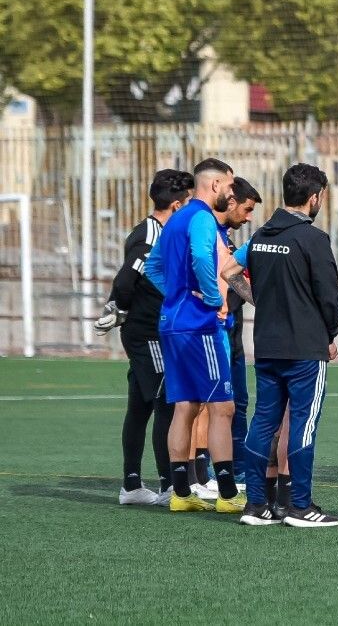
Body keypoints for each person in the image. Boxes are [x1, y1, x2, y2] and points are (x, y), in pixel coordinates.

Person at [234, 164, 338, 528]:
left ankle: (256, 504)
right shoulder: (313, 239)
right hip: (304, 348)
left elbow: (232, 273)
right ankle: (299, 505)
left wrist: (261, 303)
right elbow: (329, 297)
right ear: (314, 197)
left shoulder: (262, 236)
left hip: (266, 344)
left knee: (263, 420)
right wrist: (330, 334)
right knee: (304, 422)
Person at [145, 157, 243, 513]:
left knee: (184, 407)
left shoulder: (174, 219)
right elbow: (203, 259)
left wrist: (176, 293)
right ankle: (229, 494)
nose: (231, 194)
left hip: (172, 323)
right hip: (200, 326)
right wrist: (215, 299)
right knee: (223, 407)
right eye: (230, 187)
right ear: (215, 185)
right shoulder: (201, 217)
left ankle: (180, 493)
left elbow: (152, 267)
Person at [98, 169, 193, 505]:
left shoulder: (156, 230)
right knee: (166, 402)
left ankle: (132, 485)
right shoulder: (151, 235)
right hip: (149, 332)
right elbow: (127, 278)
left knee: (139, 406)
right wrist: (117, 307)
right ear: (178, 204)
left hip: (149, 329)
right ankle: (169, 485)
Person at [215, 177, 261, 477]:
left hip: (233, 336)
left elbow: (238, 276)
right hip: (213, 333)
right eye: (246, 210)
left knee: (239, 402)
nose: (248, 217)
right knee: (214, 406)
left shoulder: (229, 239)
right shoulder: (208, 233)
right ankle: (205, 471)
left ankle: (240, 467)